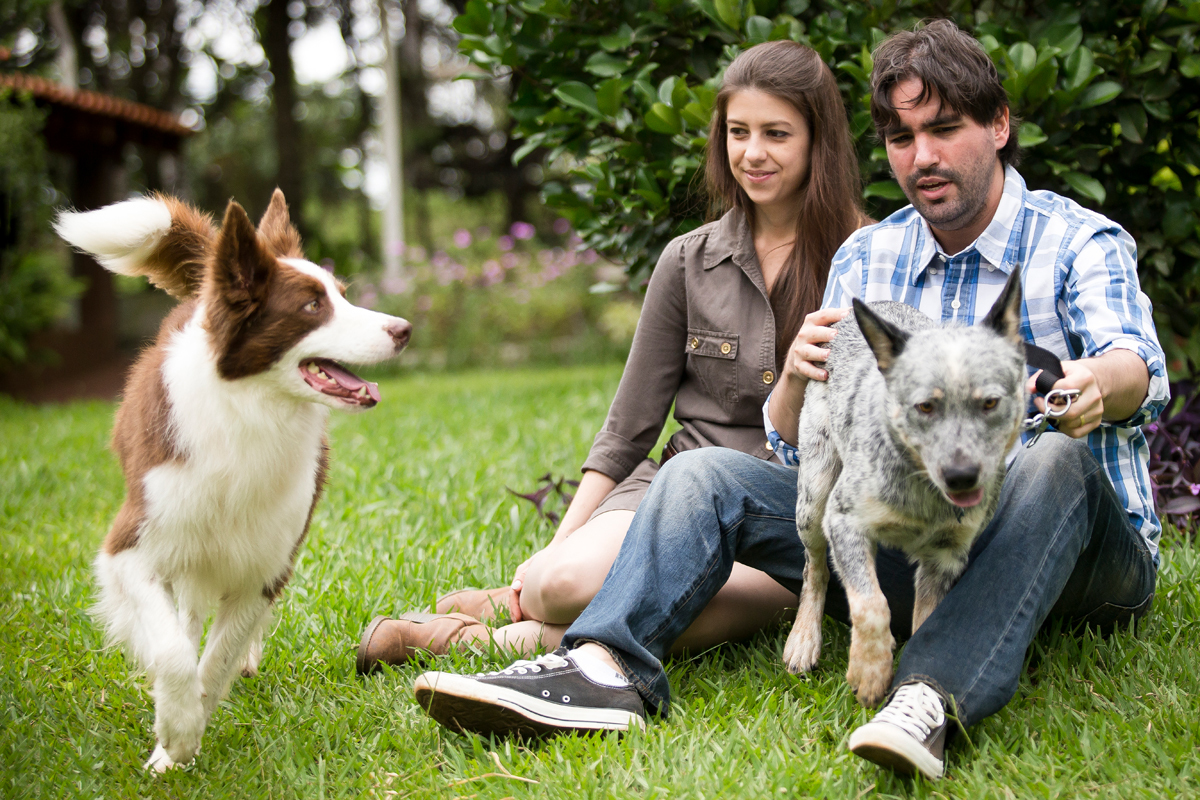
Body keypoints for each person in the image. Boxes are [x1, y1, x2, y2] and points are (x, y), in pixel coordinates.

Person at [410, 19, 1167, 781]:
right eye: (902, 139)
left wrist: (1097, 382)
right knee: (704, 472)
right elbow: (793, 451)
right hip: (919, 540)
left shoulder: (1077, 241)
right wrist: (798, 384)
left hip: (1076, 556)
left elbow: (1138, 368)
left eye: (945, 129)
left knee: (1054, 461)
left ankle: (929, 691)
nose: (923, 157)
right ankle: (603, 668)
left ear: (1000, 125)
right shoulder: (869, 257)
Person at [355, 40, 866, 672]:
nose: (752, 153)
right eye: (738, 132)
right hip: (676, 489)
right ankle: (522, 601)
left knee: (697, 600)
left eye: (776, 133)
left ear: (819, 141)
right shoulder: (688, 259)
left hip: (790, 520)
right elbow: (629, 427)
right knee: (556, 585)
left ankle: (484, 640)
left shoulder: (865, 260)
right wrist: (556, 545)